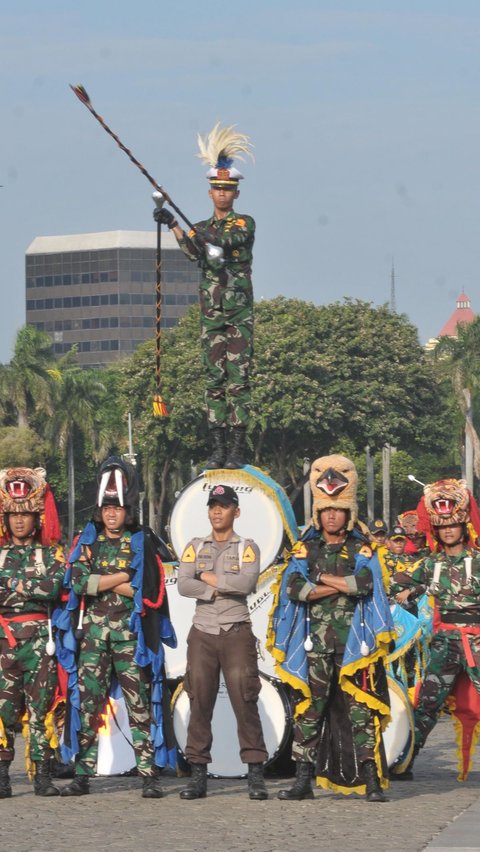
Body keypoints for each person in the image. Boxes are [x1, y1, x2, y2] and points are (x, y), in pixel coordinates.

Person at [272, 455, 394, 803]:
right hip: (316, 648)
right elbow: (295, 588)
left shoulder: (362, 547)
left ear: (347, 512)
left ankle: (371, 779)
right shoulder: (305, 548)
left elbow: (367, 584)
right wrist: (340, 583)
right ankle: (302, 780)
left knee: (360, 712)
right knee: (310, 712)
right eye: (326, 510)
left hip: (355, 646)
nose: (331, 515)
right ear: (319, 511)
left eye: (338, 510)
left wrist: (321, 578)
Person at [57, 456, 176, 798]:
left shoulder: (141, 540)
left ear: (128, 510)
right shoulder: (88, 539)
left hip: (130, 639)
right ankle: (82, 775)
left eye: (118, 508)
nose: (112, 514)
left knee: (139, 706)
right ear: (100, 508)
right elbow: (78, 582)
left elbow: (148, 588)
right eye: (107, 507)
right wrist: (124, 576)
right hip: (94, 638)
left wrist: (104, 580)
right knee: (88, 705)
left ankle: (149, 776)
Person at [156, 123, 255, 470]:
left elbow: (229, 243)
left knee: (238, 380)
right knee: (214, 381)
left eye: (228, 189)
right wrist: (172, 224)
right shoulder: (201, 228)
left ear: (235, 193)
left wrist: (208, 242)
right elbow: (191, 250)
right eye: (217, 189)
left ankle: (238, 447)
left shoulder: (244, 224)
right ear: (210, 192)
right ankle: (218, 445)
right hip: (212, 315)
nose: (223, 194)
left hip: (238, 316)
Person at [177, 483, 268, 800]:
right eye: (212, 505)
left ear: (236, 511)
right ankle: (197, 774)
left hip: (235, 631)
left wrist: (211, 578)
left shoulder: (247, 547)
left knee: (245, 700)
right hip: (202, 633)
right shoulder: (195, 546)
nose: (216, 511)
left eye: (224, 505)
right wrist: (211, 588)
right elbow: (183, 585)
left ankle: (255, 774)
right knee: (199, 702)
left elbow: (247, 582)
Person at [391, 478, 480, 781]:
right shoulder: (430, 564)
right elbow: (399, 583)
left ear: (463, 525)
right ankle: (404, 759)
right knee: (427, 703)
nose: (449, 530)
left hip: (478, 640)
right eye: (442, 527)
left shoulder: (478, 560)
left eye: (453, 524)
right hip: (445, 644)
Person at [0, 466, 64, 798]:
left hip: (40, 643)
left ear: (35, 516)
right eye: (13, 514)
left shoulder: (50, 553)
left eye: (25, 514)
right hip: (4, 644)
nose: (20, 521)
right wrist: (29, 588)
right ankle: (2, 777)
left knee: (42, 709)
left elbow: (53, 588)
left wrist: (10, 586)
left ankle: (42, 777)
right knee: (3, 711)